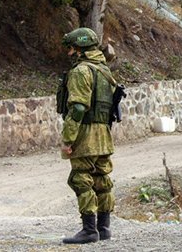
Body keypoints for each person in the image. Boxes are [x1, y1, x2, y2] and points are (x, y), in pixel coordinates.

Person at [60, 27, 116, 244]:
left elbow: (78, 108)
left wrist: (68, 139)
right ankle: (104, 228)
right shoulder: (104, 70)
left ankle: (89, 230)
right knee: (102, 179)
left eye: (71, 49)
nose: (69, 53)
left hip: (85, 133)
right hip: (103, 133)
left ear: (79, 49)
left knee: (81, 178)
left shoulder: (82, 71)